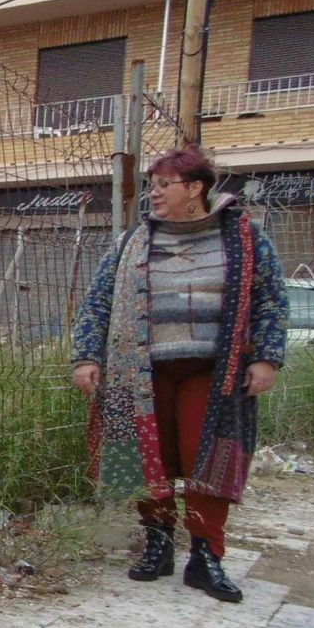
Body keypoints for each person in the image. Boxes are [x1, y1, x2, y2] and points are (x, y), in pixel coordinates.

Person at [70, 147, 288, 603]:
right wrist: (87, 356)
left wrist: (267, 357)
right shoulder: (133, 241)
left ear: (195, 188)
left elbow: (270, 299)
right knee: (146, 456)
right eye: (152, 185)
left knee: (208, 458)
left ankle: (206, 557)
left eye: (164, 184)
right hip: (140, 371)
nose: (155, 193)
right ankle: (159, 544)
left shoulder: (245, 237)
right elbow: (98, 301)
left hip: (214, 372)